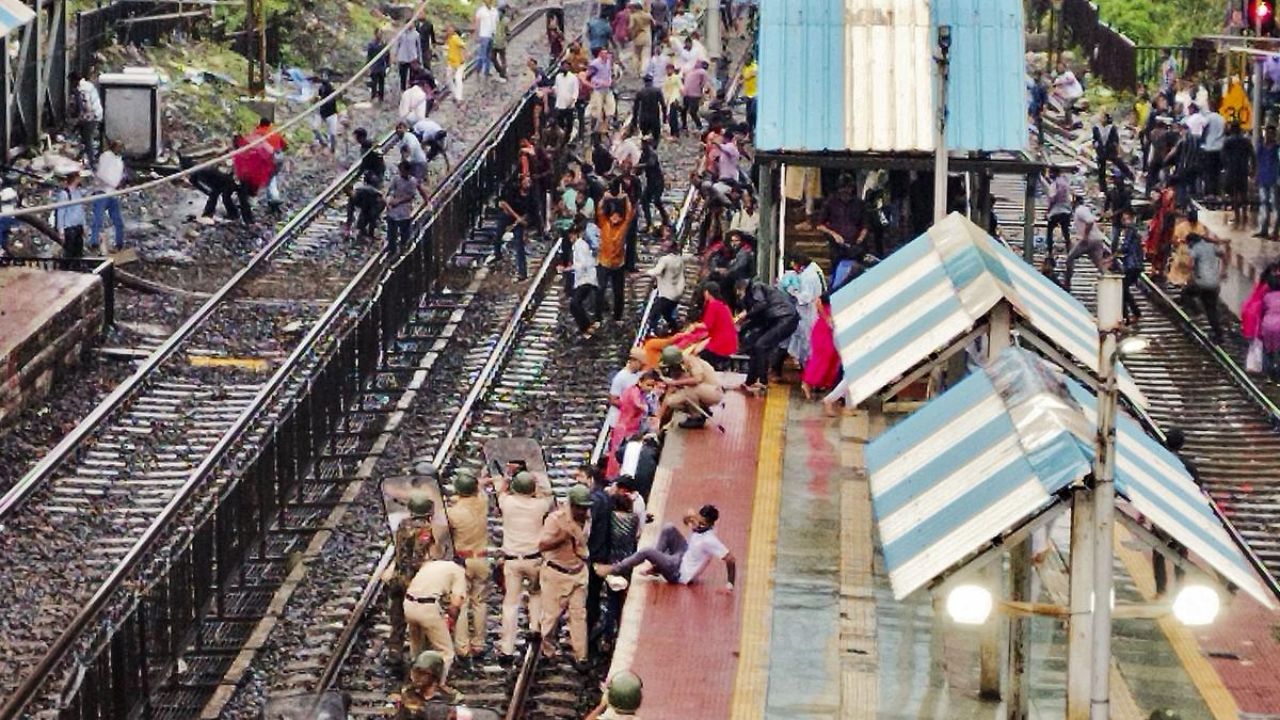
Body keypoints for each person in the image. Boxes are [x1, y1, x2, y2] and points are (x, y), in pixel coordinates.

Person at [595, 505, 735, 591]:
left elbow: (730, 559)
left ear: (708, 523)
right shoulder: (701, 527)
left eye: (701, 522)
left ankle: (615, 569)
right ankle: (656, 566)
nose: (697, 524)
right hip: (684, 554)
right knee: (669, 528)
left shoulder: (710, 540)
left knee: (647, 551)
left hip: (679, 572)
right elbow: (686, 522)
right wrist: (688, 517)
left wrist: (730, 585)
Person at [494, 471, 553, 664]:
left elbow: (500, 490)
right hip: (534, 558)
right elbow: (549, 495)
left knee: (511, 603)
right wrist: (539, 480)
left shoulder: (507, 503)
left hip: (512, 559)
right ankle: (534, 627)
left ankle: (507, 648)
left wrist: (506, 479)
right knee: (536, 593)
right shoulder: (539, 505)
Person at [538, 485, 593, 663]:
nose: (583, 511)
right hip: (556, 573)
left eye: (585, 507)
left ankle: (581, 656)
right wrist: (562, 538)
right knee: (551, 617)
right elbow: (542, 545)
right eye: (580, 507)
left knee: (579, 616)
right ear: (572, 505)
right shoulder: (556, 520)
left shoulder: (588, 518)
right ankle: (547, 651)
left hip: (579, 572)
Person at [386, 490, 437, 667]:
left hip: (398, 577)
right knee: (422, 617)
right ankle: (423, 653)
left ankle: (395, 650)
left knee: (397, 617)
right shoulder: (426, 529)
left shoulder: (403, 524)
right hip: (414, 580)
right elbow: (418, 556)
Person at [403, 558, 466, 692]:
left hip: (408, 604)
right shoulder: (459, 571)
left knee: (417, 648)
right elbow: (455, 603)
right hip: (427, 608)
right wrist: (451, 622)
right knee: (446, 652)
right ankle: (438, 685)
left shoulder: (432, 564)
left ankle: (414, 680)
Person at [447, 472, 490, 664]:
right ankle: (479, 644)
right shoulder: (483, 502)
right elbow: (479, 491)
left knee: (462, 604)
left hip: (462, 561)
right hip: (481, 558)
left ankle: (462, 647)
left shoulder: (453, 513)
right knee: (480, 602)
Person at [737, 278, 801, 394]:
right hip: (779, 318)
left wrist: (746, 315)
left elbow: (762, 304)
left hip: (784, 317)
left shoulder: (755, 288)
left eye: (740, 293)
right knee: (755, 346)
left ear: (743, 289)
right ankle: (750, 381)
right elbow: (758, 317)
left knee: (761, 345)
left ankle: (763, 382)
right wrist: (741, 328)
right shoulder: (756, 295)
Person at [815, 175, 867, 287]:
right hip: (837, 247)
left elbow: (865, 226)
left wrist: (860, 239)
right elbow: (820, 225)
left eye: (848, 189)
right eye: (843, 189)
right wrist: (834, 235)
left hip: (855, 246)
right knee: (837, 274)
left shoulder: (859, 204)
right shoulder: (830, 202)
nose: (846, 192)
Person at [656, 345, 723, 429]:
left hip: (714, 391)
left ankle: (696, 417)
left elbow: (698, 379)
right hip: (701, 392)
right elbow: (671, 390)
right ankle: (701, 411)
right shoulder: (678, 368)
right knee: (672, 401)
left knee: (689, 391)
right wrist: (658, 416)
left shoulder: (691, 360)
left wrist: (675, 382)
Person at [597, 191, 634, 322]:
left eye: (618, 216)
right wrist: (604, 198)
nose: (615, 218)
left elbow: (629, 214)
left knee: (618, 292)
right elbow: (599, 211)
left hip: (618, 264)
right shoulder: (604, 224)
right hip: (604, 263)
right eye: (613, 215)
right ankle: (598, 316)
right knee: (600, 289)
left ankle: (617, 316)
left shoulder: (623, 227)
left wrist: (626, 198)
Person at [785, 254, 825, 368]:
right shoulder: (812, 271)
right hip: (809, 311)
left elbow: (806, 297)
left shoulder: (807, 277)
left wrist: (792, 291)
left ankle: (808, 366)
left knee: (807, 341)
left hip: (808, 312)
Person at [1187, 232, 1226, 343]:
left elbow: (1191, 264)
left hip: (1202, 283)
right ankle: (1218, 332)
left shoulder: (1195, 248)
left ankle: (1197, 312)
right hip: (1215, 282)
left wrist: (1191, 277)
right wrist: (1223, 271)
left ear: (1191, 242)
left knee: (1186, 294)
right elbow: (1223, 255)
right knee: (1212, 307)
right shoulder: (1211, 246)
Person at [1064, 197, 1110, 291]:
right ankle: (1110, 282)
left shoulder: (1080, 210)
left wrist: (1085, 235)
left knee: (1070, 258)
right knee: (1099, 264)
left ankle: (1067, 284)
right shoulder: (1084, 209)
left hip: (1089, 240)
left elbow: (1090, 221)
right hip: (1097, 239)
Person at [564, 220, 602, 336]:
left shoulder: (579, 245)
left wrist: (569, 268)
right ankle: (586, 327)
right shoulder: (579, 245)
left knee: (574, 304)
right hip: (585, 279)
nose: (570, 238)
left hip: (586, 279)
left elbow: (583, 264)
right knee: (575, 304)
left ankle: (586, 327)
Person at [385, 161, 430, 254]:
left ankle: (404, 248)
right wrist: (389, 201)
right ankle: (392, 250)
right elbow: (390, 191)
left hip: (404, 211)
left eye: (403, 171)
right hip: (393, 210)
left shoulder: (412, 181)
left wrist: (427, 201)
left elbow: (412, 195)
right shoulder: (396, 179)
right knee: (391, 232)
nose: (401, 172)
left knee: (404, 232)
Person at [89, 140, 125, 253]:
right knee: (98, 219)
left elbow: (117, 176)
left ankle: (119, 243)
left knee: (118, 220)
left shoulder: (119, 161)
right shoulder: (105, 157)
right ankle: (94, 243)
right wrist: (112, 182)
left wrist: (115, 184)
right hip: (102, 191)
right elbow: (102, 174)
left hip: (112, 193)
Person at [645, 238, 685, 335]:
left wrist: (642, 274)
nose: (662, 248)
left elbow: (657, 271)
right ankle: (675, 329)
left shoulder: (665, 259)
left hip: (666, 294)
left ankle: (651, 332)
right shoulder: (679, 259)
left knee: (654, 314)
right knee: (667, 314)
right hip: (676, 293)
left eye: (665, 246)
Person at [497, 178, 535, 280]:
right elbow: (504, 203)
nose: (527, 184)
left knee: (519, 244)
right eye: (526, 181)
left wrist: (522, 220)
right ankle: (498, 256)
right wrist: (516, 217)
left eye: (529, 182)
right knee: (498, 236)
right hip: (508, 216)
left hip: (519, 221)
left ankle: (522, 272)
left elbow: (529, 212)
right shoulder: (513, 191)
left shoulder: (531, 197)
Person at [1221, 121, 1254, 227]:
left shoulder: (1228, 141)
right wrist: (1253, 168)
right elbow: (1252, 155)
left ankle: (1237, 216)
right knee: (1243, 193)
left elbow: (1223, 156)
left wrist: (1226, 166)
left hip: (1232, 169)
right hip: (1243, 169)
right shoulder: (1246, 141)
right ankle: (1244, 214)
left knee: (1234, 194)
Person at [1115, 208, 1144, 326]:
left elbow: (1126, 247)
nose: (1124, 221)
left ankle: (1127, 317)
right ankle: (1134, 313)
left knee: (1122, 290)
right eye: (1123, 219)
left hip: (1132, 264)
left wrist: (1116, 253)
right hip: (1135, 264)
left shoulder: (1131, 230)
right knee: (1124, 290)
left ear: (1132, 219)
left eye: (1126, 219)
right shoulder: (1134, 230)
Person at [69, 72, 103, 169]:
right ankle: (83, 157)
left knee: (87, 139)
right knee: (84, 136)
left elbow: (87, 106)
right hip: (96, 113)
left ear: (75, 80)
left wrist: (81, 119)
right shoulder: (88, 85)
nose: (71, 84)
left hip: (92, 116)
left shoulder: (83, 89)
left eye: (71, 81)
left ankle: (92, 163)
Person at [56, 171, 88, 259]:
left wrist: (84, 225)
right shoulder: (65, 194)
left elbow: (81, 210)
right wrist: (61, 229)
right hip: (70, 228)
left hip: (78, 227)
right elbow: (60, 212)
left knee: (79, 252)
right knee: (69, 253)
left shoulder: (78, 193)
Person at [1041, 168, 1072, 257]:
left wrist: (1047, 211)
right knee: (1065, 231)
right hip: (1066, 211)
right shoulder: (1065, 182)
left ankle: (1050, 251)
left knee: (1050, 231)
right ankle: (1069, 249)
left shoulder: (1054, 184)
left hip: (1056, 211)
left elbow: (1052, 198)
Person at [586, 48, 617, 134]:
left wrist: (609, 81)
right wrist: (599, 83)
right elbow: (589, 76)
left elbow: (609, 73)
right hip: (598, 89)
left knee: (611, 107)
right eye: (604, 53)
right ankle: (593, 128)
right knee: (597, 109)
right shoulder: (595, 64)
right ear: (600, 54)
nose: (606, 55)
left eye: (606, 53)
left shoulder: (608, 62)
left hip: (607, 89)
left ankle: (606, 126)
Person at [1257, 125, 1279, 239]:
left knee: (1275, 204)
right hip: (1263, 178)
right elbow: (1257, 161)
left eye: (1270, 133)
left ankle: (1274, 231)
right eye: (1267, 133)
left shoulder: (1277, 148)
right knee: (1263, 203)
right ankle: (1263, 229)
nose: (1268, 135)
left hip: (1274, 179)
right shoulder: (1261, 147)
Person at [473, 0, 499, 80]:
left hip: (492, 35)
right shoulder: (480, 11)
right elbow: (477, 23)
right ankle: (478, 70)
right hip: (483, 35)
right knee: (482, 55)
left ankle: (486, 72)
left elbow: (496, 23)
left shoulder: (495, 11)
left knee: (489, 55)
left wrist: (496, 34)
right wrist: (477, 35)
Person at [681, 59, 711, 131]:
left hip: (687, 93)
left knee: (684, 110)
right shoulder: (702, 72)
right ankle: (698, 126)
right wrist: (705, 92)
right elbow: (705, 84)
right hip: (694, 94)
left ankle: (685, 126)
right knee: (692, 112)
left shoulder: (691, 71)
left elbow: (684, 79)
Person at [395, 21, 424, 91]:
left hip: (412, 58)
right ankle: (403, 90)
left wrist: (420, 59)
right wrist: (396, 55)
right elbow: (397, 45)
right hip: (402, 57)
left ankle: (411, 90)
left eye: (411, 23)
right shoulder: (401, 33)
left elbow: (418, 47)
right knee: (402, 76)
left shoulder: (416, 34)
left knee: (413, 76)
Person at [627, 1, 654, 75]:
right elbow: (653, 23)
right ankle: (643, 72)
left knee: (636, 55)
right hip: (647, 37)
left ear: (635, 8)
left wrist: (631, 35)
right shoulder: (647, 15)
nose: (630, 9)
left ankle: (636, 71)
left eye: (631, 8)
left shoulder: (633, 16)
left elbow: (630, 27)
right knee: (646, 56)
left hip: (637, 37)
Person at [316, 74, 340, 152]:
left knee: (333, 133)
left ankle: (332, 149)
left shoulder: (332, 89)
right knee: (315, 128)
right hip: (322, 112)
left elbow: (333, 98)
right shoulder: (321, 88)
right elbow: (319, 96)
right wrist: (318, 99)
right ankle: (323, 142)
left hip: (331, 113)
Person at [445, 25, 467, 103]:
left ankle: (459, 97)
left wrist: (463, 56)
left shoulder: (455, 38)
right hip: (451, 62)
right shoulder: (449, 39)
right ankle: (455, 94)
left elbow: (463, 46)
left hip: (459, 62)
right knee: (448, 79)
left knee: (458, 79)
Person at [367, 29, 389, 103]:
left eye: (381, 34)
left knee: (381, 82)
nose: (380, 35)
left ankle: (381, 97)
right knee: (374, 83)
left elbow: (387, 55)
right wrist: (368, 66)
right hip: (374, 67)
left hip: (382, 66)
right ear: (375, 34)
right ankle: (373, 96)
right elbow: (369, 56)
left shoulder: (384, 44)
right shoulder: (371, 44)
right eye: (378, 34)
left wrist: (388, 65)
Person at [741, 53, 758, 133]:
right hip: (748, 94)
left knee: (753, 113)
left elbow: (747, 76)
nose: (745, 61)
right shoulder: (746, 67)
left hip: (754, 94)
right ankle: (749, 131)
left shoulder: (754, 67)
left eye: (747, 59)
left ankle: (754, 129)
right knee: (748, 115)